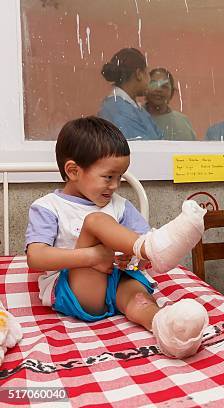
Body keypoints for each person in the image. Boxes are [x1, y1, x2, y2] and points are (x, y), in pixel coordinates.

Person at [25, 116, 208, 359]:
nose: (115, 185)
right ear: (73, 171)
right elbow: (36, 257)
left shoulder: (121, 206)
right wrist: (92, 256)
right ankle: (149, 246)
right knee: (95, 221)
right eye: (108, 176)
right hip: (76, 288)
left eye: (120, 177)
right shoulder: (49, 207)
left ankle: (167, 330)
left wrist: (134, 257)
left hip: (116, 279)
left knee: (140, 298)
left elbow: (140, 257)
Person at [99, 48, 163, 140]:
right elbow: (144, 148)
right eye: (147, 73)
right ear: (139, 74)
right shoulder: (119, 110)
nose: (149, 80)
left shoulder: (129, 107)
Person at [144, 67, 196, 141]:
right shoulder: (135, 117)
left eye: (164, 86)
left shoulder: (183, 123)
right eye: (154, 84)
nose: (158, 90)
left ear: (172, 92)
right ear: (145, 87)